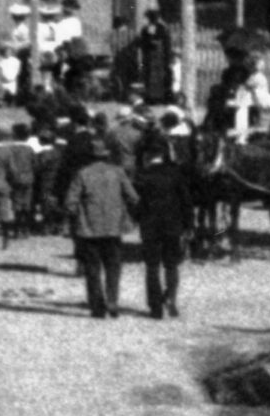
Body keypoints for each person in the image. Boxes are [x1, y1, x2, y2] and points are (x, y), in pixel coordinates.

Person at [65, 137, 138, 319]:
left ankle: (97, 306)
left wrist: (76, 216)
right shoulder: (118, 172)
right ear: (107, 155)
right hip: (114, 228)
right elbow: (133, 197)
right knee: (113, 267)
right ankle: (112, 300)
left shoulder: (82, 173)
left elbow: (70, 202)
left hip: (89, 228)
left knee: (92, 268)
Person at [134, 136, 193, 320]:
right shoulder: (175, 174)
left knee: (152, 266)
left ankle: (155, 307)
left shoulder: (142, 176)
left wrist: (137, 218)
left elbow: (136, 204)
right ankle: (171, 299)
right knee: (171, 265)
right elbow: (186, 202)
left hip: (150, 226)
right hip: (173, 225)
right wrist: (189, 225)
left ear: (147, 156)